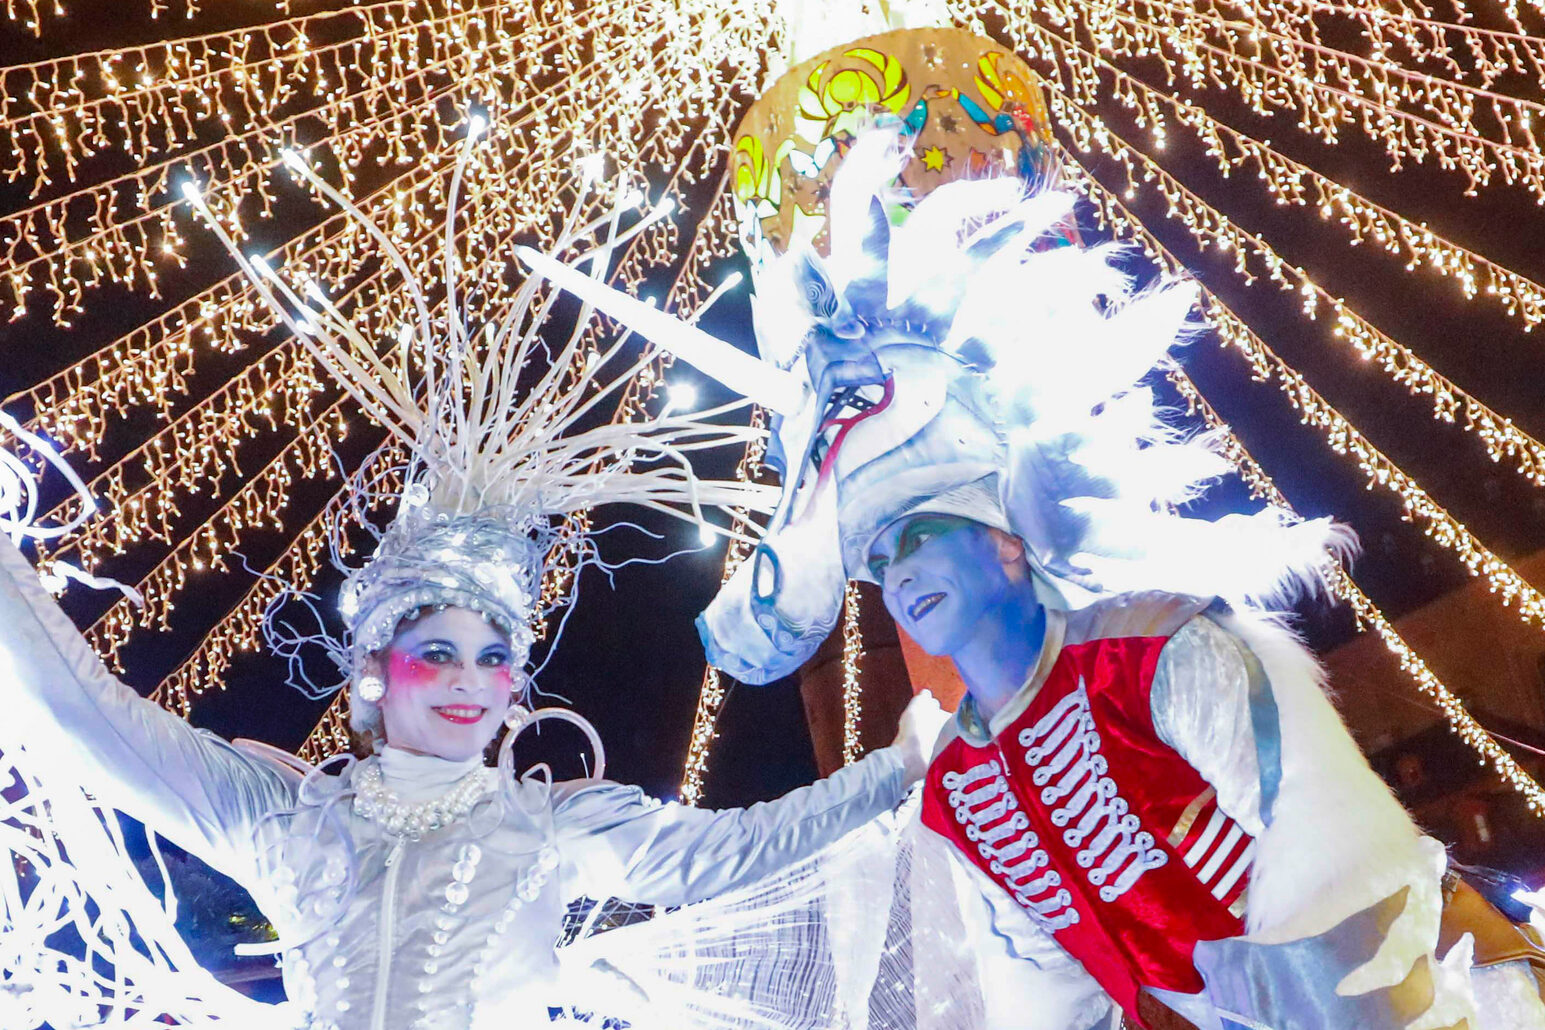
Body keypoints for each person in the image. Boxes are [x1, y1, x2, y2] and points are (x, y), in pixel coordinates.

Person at [528, 28, 1545, 1020]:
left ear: (1009, 544)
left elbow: (1339, 867)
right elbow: (1043, 985)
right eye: (877, 556)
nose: (898, 572)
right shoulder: (959, 781)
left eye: (922, 534)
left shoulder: (1160, 653)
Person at [0, 118, 948, 1030]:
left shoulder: (551, 828)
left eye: (493, 658)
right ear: (376, 668)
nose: (469, 680)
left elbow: (742, 851)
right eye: (439, 653)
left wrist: (899, 766)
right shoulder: (284, 817)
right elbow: (81, 714)